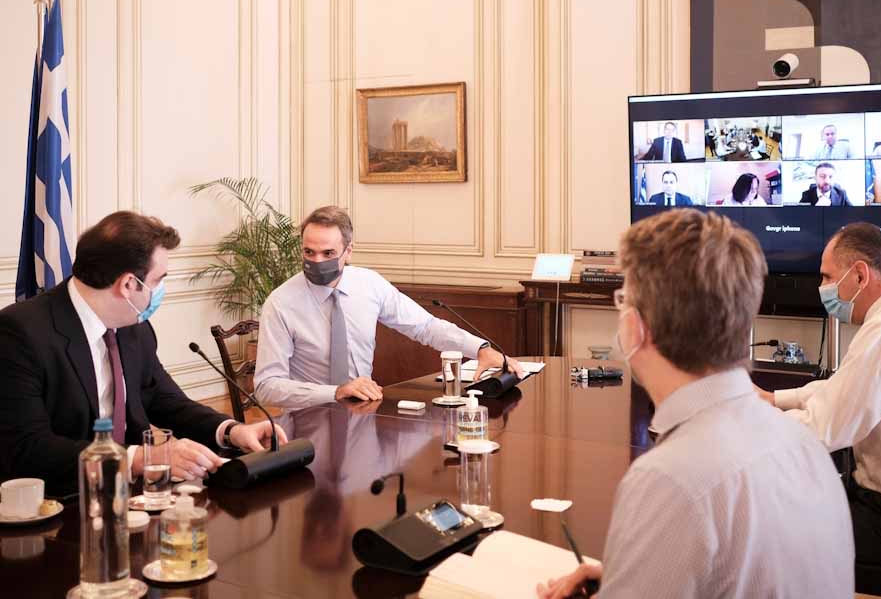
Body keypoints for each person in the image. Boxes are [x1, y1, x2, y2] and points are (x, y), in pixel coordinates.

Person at [538, 209, 853, 599]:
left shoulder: (668, 478)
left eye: (623, 300)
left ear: (635, 328)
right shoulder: (804, 444)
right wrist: (628, 573)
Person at [0, 212, 284, 496]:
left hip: (131, 497)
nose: (160, 290)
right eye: (158, 280)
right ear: (128, 284)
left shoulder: (135, 327)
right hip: (58, 500)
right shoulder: (20, 332)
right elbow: (29, 448)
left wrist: (231, 430)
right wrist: (139, 458)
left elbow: (164, 399)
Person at [756, 223, 881, 593]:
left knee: (770, 534)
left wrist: (748, 424)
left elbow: (824, 429)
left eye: (827, 277)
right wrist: (774, 400)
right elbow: (846, 389)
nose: (822, 288)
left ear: (860, 275)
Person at [254, 206, 523, 409]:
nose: (316, 261)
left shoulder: (368, 284)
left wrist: (480, 349)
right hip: (307, 421)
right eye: (308, 252)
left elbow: (425, 327)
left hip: (363, 412)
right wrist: (334, 392)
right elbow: (266, 387)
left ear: (348, 251)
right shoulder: (281, 303)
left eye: (328, 253)